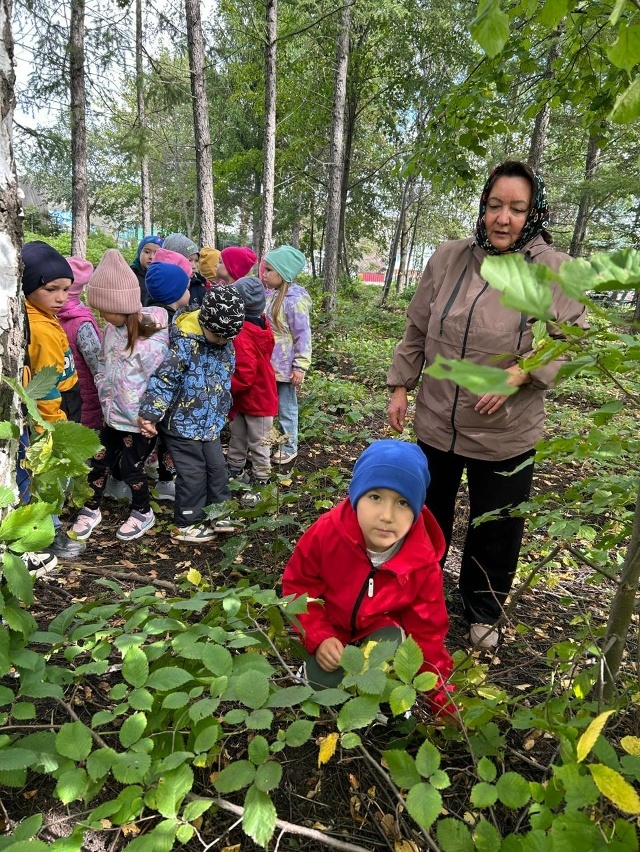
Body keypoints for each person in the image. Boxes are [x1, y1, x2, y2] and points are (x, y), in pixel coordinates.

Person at [386, 160, 586, 650]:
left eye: (517, 209)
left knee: (495, 526)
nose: (503, 218)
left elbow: (571, 340)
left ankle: (484, 609)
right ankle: (418, 597)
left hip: (505, 433)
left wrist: (519, 374)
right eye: (496, 205)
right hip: (437, 422)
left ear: (532, 213)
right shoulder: (450, 258)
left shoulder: (553, 271)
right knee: (427, 516)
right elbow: (418, 324)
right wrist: (400, 384)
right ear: (482, 207)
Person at [282, 439, 454, 716]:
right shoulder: (327, 534)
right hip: (332, 631)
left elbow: (428, 632)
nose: (387, 516)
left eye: (402, 502)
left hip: (381, 637)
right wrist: (319, 636)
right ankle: (317, 671)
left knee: (391, 648)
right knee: (319, 694)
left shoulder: (421, 562)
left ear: (417, 509)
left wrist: (442, 701)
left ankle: (383, 692)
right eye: (375, 497)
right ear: (355, 497)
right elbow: (298, 587)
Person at [70, 249, 169, 542]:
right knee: (99, 459)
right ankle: (91, 507)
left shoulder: (151, 343)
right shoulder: (113, 330)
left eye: (105, 309)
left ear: (123, 305)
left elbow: (160, 383)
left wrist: (151, 414)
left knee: (130, 467)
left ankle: (142, 511)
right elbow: (102, 361)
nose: (101, 315)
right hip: (112, 415)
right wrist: (103, 385)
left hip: (139, 420)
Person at [137, 286, 245, 544]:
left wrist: (222, 408)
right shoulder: (185, 344)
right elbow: (165, 379)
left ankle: (218, 512)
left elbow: (225, 377)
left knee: (218, 467)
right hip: (182, 423)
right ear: (205, 322)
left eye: (226, 337)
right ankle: (187, 521)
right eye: (217, 335)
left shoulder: (226, 344)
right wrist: (151, 413)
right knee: (193, 472)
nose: (221, 341)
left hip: (210, 423)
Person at [20, 240, 86, 561]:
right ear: (30, 285)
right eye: (52, 289)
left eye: (67, 290)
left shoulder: (42, 315)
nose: (62, 298)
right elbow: (45, 386)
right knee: (49, 477)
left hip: (62, 405)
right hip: (52, 415)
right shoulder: (40, 329)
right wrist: (52, 429)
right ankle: (49, 533)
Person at [226, 276, 278, 503]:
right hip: (246, 400)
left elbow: (245, 373)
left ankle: (262, 481)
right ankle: (236, 471)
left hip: (257, 399)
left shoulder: (243, 335)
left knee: (259, 443)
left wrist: (226, 387)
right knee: (237, 437)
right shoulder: (261, 324)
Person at [262, 245, 311, 465]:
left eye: (269, 270)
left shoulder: (294, 301)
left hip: (285, 366)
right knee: (269, 404)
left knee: (287, 407)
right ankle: (271, 439)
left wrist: (300, 366)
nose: (264, 273)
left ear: (283, 274)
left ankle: (289, 445)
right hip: (268, 363)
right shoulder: (271, 295)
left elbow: (303, 335)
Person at [58, 257, 103, 431]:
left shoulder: (82, 324)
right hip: (62, 404)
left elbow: (97, 367)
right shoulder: (54, 316)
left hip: (84, 406)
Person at [162, 233, 207, 306]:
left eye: (196, 261)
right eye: (189, 260)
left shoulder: (199, 285)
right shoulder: (161, 286)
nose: (194, 266)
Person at [130, 235, 163, 304]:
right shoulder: (130, 275)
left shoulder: (163, 277)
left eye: (156, 253)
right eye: (147, 252)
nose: (151, 257)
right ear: (139, 253)